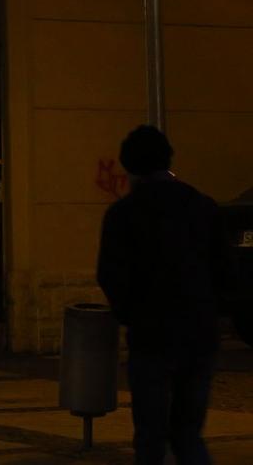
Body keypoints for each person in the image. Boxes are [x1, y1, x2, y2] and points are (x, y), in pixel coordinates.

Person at [98, 125, 225, 465]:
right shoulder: (203, 207)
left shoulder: (123, 215)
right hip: (199, 332)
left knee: (151, 436)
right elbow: (226, 270)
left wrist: (130, 314)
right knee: (188, 433)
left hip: (151, 335)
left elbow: (110, 275)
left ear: (130, 166)